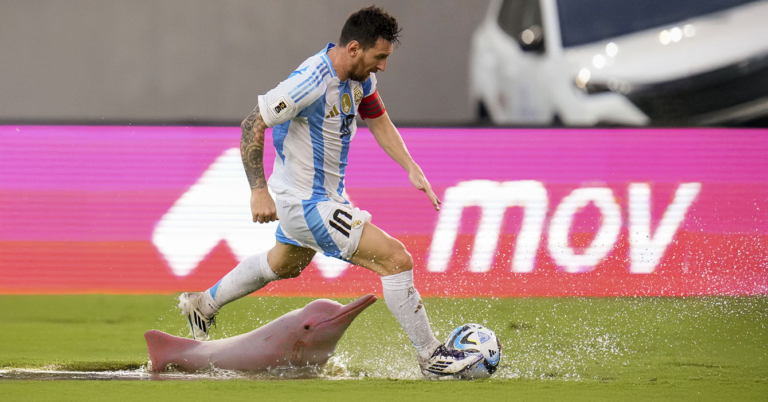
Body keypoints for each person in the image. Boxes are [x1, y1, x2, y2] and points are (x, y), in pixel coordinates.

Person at [177, 6, 480, 378]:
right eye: (379, 57)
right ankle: (432, 357)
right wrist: (258, 190)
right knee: (396, 259)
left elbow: (379, 119)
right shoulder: (310, 80)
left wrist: (411, 168)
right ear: (354, 48)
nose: (383, 67)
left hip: (322, 199)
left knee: (284, 263)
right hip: (305, 203)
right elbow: (251, 124)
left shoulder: (360, 79)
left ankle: (204, 303)